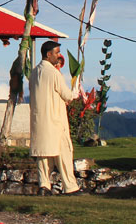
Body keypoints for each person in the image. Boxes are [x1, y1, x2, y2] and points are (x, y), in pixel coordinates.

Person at [28, 40, 81, 194]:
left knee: (43, 156)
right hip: (55, 121)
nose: (58, 56)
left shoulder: (34, 72)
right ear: (48, 54)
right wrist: (76, 89)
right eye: (56, 53)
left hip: (39, 120)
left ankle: (44, 186)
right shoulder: (53, 73)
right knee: (64, 154)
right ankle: (70, 187)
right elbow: (68, 95)